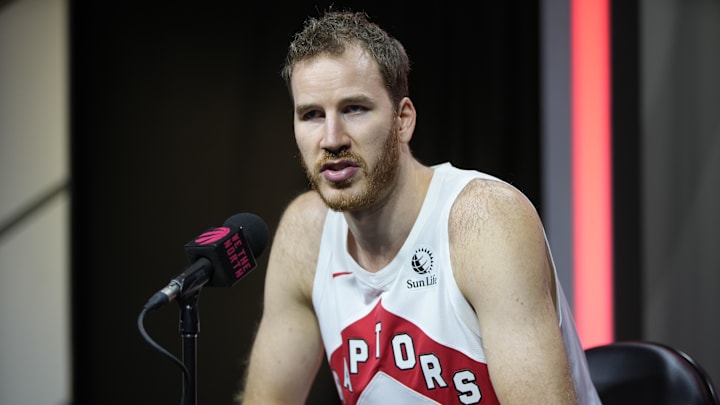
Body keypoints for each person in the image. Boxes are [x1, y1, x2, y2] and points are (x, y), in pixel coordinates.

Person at [238, 8, 601, 405]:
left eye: (354, 109)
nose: (331, 138)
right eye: (311, 115)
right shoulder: (305, 233)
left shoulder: (484, 221)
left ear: (403, 120)